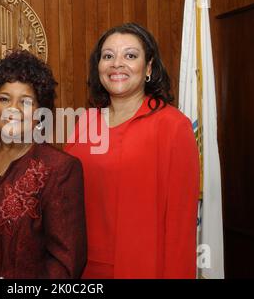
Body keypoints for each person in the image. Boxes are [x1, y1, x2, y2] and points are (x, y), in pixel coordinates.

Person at [64, 23, 200, 278]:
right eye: (108, 56)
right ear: (99, 67)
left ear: (148, 67)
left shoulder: (172, 126)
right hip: (81, 267)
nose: (117, 64)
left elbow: (181, 226)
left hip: (141, 267)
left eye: (130, 55)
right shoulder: (86, 121)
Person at [0, 50, 87, 279]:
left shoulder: (59, 168)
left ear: (40, 113)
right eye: (4, 99)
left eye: (26, 101)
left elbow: (65, 263)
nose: (13, 109)